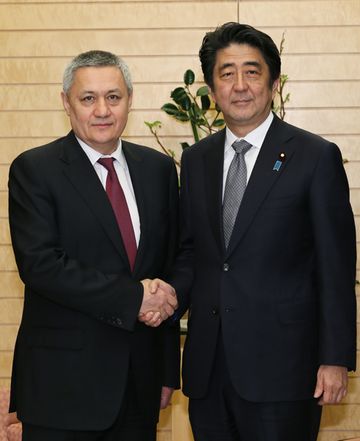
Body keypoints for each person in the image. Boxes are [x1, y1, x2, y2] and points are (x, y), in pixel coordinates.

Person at [168, 22, 357, 441]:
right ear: (211, 88)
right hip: (209, 370)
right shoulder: (196, 161)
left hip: (286, 371)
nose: (240, 85)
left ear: (272, 82)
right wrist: (164, 298)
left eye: (252, 71)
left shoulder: (314, 156)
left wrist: (335, 358)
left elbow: (335, 265)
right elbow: (192, 253)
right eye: (226, 72)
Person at [8, 50, 180, 441]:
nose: (102, 110)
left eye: (113, 97)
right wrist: (134, 298)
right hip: (62, 390)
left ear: (130, 100)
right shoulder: (35, 170)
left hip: (140, 386)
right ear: (66, 102)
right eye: (88, 98)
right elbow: (42, 265)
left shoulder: (157, 170)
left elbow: (167, 266)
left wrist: (167, 370)